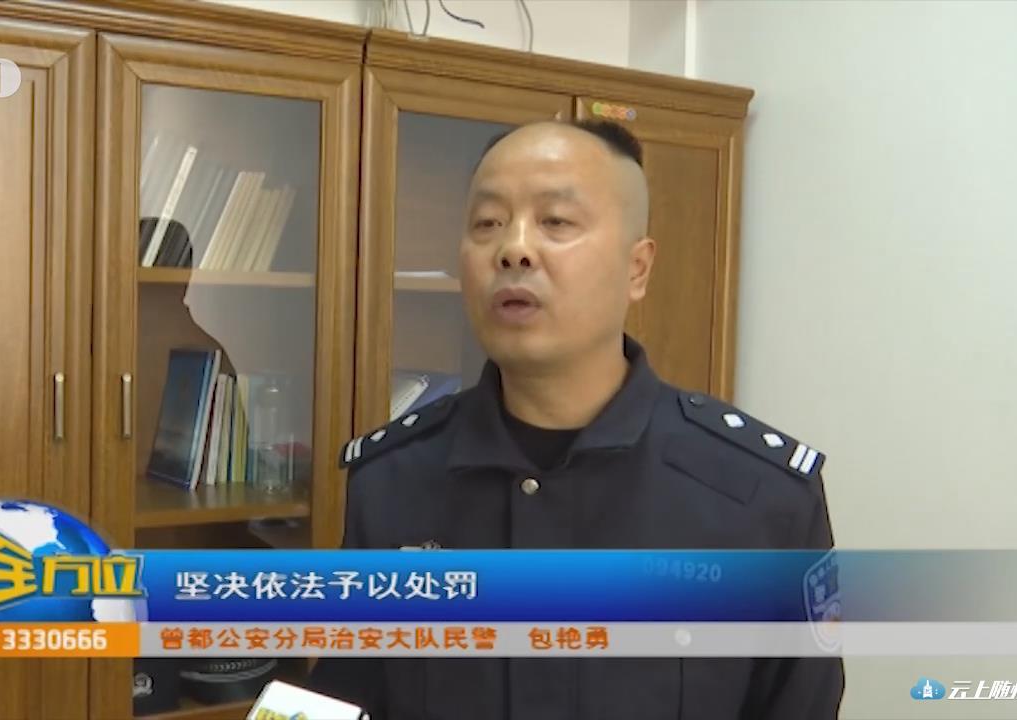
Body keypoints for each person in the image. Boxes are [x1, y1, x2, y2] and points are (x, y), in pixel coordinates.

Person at [309, 119, 843, 719]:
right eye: (487, 223)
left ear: (637, 269)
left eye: (556, 221)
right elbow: (345, 696)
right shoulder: (391, 480)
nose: (513, 248)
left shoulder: (761, 496)